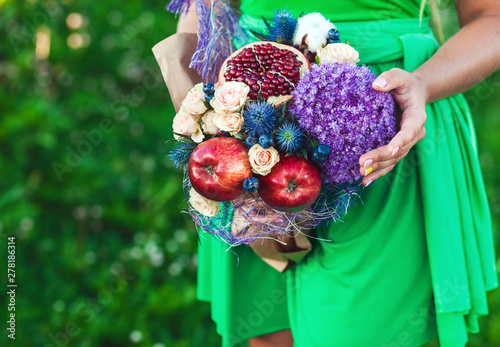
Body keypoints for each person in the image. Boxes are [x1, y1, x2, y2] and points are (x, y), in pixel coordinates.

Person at [174, 0, 500, 346]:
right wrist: (203, 114)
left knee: (357, 334)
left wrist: (422, 84)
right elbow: (204, 10)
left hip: (382, 126)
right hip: (247, 114)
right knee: (270, 330)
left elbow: (491, 17)